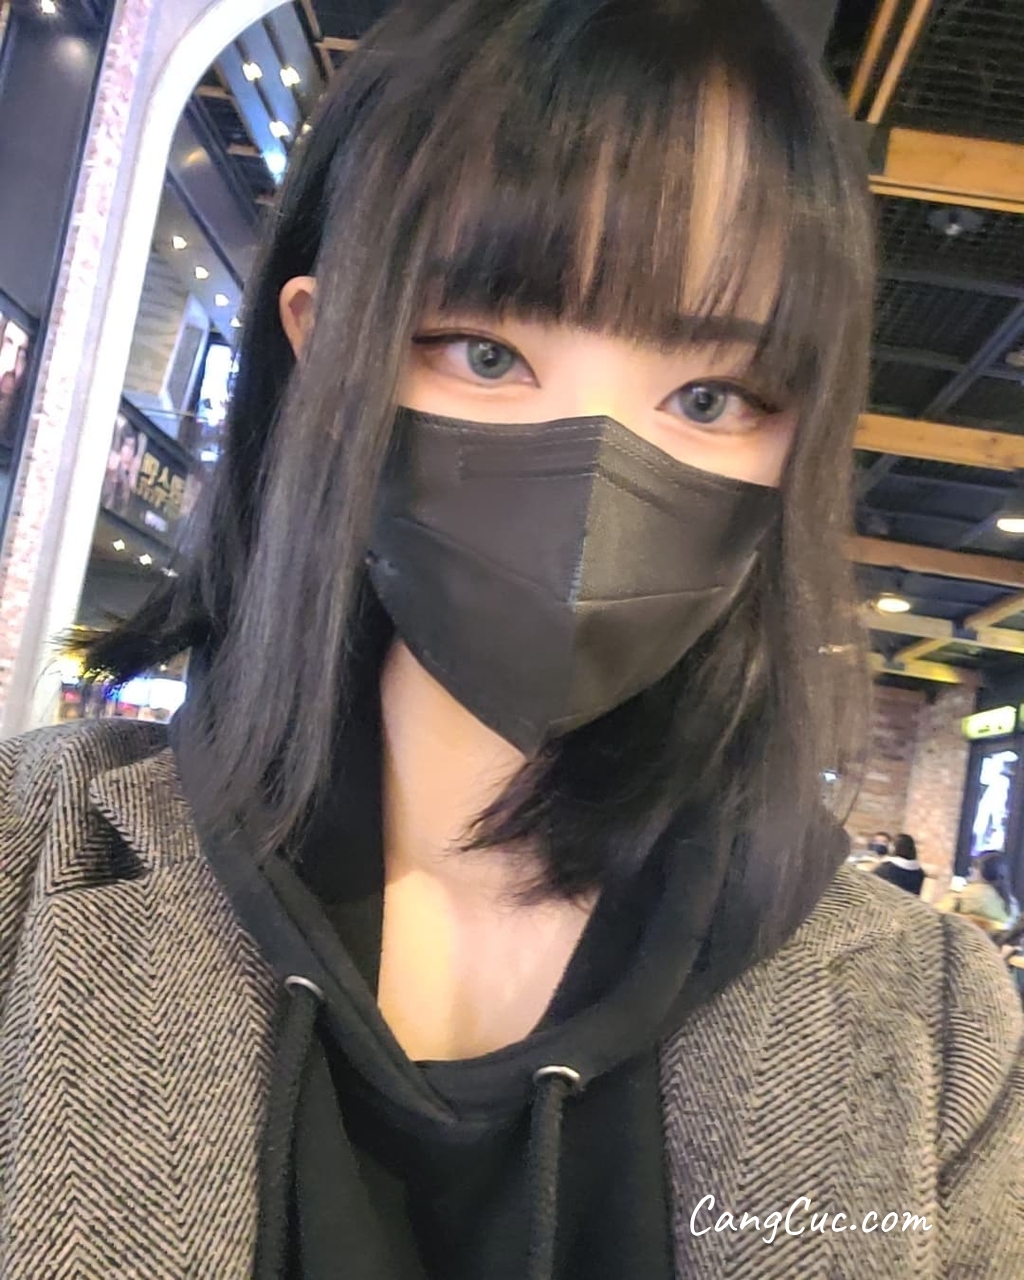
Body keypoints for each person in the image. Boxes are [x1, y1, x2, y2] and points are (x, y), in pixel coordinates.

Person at [1, 2, 1021, 1276]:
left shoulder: (934, 1020)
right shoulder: (26, 865)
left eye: (709, 396)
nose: (594, 485)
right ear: (326, 351)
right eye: (486, 353)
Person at [938, 851, 1018, 934]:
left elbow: (938, 916)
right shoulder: (1011, 906)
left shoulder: (963, 896)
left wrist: (951, 892)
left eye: (975, 867)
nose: (970, 869)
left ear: (987, 873)